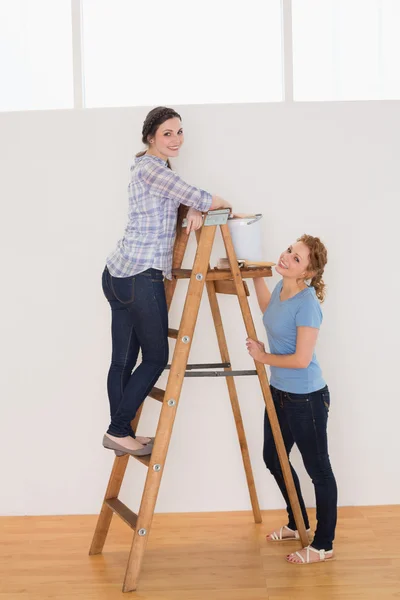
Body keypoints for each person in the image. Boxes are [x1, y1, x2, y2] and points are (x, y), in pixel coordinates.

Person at [102, 106, 231, 457]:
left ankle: (121, 433)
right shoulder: (153, 169)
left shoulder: (146, 168)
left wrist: (190, 208)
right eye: (167, 134)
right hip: (140, 276)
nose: (175, 140)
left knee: (122, 362)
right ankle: (117, 430)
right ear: (150, 138)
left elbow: (182, 200)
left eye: (179, 132)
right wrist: (216, 205)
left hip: (119, 274)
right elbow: (206, 198)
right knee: (157, 357)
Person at [246, 235, 337, 564]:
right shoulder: (283, 290)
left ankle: (323, 544)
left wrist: (263, 356)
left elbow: (301, 359)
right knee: (274, 458)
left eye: (296, 259)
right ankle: (297, 522)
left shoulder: (308, 303)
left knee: (319, 471)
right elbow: (269, 311)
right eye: (289, 251)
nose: (286, 258)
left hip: (307, 399)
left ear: (307, 273)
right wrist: (255, 276)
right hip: (280, 393)